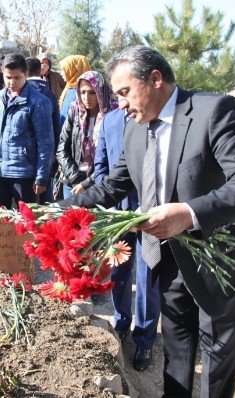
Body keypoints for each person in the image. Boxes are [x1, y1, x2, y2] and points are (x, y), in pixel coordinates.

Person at [60, 46, 235, 397]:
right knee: (177, 352)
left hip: (224, 265)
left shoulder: (214, 111)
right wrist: (58, 211)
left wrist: (189, 213)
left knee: (216, 363)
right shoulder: (134, 129)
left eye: (124, 92)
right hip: (171, 261)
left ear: (156, 79)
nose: (120, 104)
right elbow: (113, 186)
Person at [93, 106, 160, 371]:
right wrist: (108, 200)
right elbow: (102, 163)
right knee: (119, 273)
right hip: (117, 213)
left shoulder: (149, 115)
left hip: (148, 211)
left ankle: (144, 338)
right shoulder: (109, 120)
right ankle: (121, 324)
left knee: (147, 276)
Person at [0, 53, 54, 213]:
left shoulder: (38, 102)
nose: (11, 82)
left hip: (24, 174)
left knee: (26, 224)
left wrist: (41, 177)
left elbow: (45, 143)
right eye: (8, 77)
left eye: (17, 78)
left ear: (26, 75)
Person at [57, 70, 113, 199]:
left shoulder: (111, 116)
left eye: (92, 92)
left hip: (99, 183)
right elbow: (61, 148)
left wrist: (87, 183)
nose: (86, 98)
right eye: (83, 92)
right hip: (72, 181)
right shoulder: (75, 112)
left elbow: (111, 158)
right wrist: (76, 179)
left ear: (101, 91)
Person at [26, 57, 60, 203]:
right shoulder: (50, 94)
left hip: (25, 155)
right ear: (39, 71)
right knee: (45, 192)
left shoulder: (23, 92)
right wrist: (54, 151)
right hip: (47, 151)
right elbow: (56, 124)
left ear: (24, 72)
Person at [57, 55, 91, 125]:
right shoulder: (69, 88)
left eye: (63, 70)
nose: (61, 73)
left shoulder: (80, 93)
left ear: (74, 71)